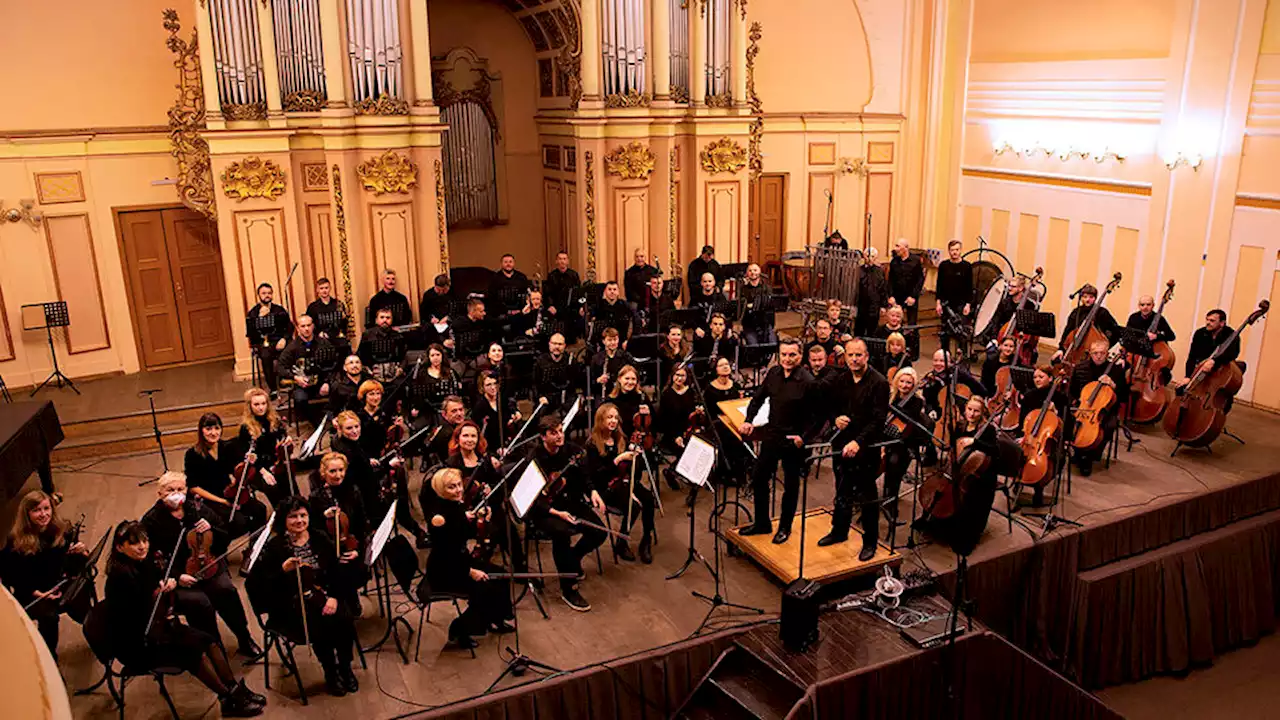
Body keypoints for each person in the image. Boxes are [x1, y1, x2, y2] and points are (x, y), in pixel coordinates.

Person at [105, 521, 266, 715]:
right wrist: (158, 594)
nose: (142, 546)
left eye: (144, 540)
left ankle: (234, 689)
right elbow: (133, 614)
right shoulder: (120, 576)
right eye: (134, 543)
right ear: (119, 547)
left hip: (158, 627)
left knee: (210, 640)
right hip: (139, 642)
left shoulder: (140, 563)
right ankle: (227, 699)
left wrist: (166, 583)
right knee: (194, 654)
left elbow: (155, 580)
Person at [141, 471, 262, 658]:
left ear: (186, 490)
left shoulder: (197, 508)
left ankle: (244, 637)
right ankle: (213, 646)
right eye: (170, 490)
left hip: (209, 563)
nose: (175, 493)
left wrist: (211, 529)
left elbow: (224, 537)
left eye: (180, 489)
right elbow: (151, 558)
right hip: (179, 574)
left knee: (226, 590)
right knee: (200, 603)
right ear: (160, 493)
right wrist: (176, 575)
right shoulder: (151, 521)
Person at [250, 498, 360, 697]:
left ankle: (345, 666)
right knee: (320, 622)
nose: (299, 520)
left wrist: (333, 597)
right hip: (291, 603)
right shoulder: (274, 547)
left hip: (323, 594)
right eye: (293, 517)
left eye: (303, 515)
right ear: (283, 520)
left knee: (344, 617)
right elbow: (263, 587)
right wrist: (282, 571)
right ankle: (330, 671)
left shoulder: (319, 538)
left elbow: (335, 572)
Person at [422, 468, 515, 648]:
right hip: (445, 569)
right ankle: (458, 630)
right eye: (451, 487)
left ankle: (496, 618)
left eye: (458, 485)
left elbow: (463, 531)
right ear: (441, 490)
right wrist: (470, 572)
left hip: (459, 560)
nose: (458, 490)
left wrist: (479, 519)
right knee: (484, 588)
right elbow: (445, 553)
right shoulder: (439, 518)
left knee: (501, 575)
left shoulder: (455, 505)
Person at [738, 338, 817, 545]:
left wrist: (804, 438)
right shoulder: (773, 373)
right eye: (784, 354)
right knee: (758, 477)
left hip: (793, 441)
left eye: (792, 355)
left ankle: (784, 528)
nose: (787, 359)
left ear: (800, 356)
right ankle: (762, 523)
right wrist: (748, 420)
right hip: (772, 435)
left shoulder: (808, 382)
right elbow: (758, 398)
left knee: (790, 486)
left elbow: (818, 416)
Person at [526, 415, 607, 611]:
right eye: (554, 433)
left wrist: (593, 491)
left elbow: (584, 475)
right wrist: (557, 513)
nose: (559, 436)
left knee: (599, 532)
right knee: (561, 534)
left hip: (569, 502)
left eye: (561, 431)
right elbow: (533, 498)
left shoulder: (571, 451)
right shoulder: (534, 458)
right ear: (543, 436)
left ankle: (573, 558)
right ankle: (568, 589)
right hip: (544, 510)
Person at [820, 339, 890, 559]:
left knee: (866, 496)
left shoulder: (879, 382)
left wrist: (858, 442)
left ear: (867, 356)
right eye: (850, 355)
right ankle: (839, 531)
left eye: (858, 355)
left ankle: (870, 543)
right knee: (841, 491)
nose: (854, 359)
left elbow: (878, 421)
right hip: (841, 444)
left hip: (865, 447)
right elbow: (830, 407)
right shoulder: (841, 379)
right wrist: (835, 419)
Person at [0, 490, 88, 660]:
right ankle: (49, 659)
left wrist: (81, 552)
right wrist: (36, 592)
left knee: (80, 593)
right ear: (27, 514)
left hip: (57, 584)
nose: (44, 514)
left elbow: (67, 562)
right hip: (31, 591)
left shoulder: (61, 530)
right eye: (37, 510)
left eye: (47, 508)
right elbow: (9, 574)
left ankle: (96, 629)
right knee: (49, 618)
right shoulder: (16, 540)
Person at [442, 421, 525, 572]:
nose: (470, 439)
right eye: (465, 435)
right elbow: (448, 495)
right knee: (492, 531)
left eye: (473, 436)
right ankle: (478, 566)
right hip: (467, 512)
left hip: (488, 507)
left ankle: (520, 567)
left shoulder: (484, 460)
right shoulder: (452, 464)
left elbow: (496, 486)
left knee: (508, 527)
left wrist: (490, 490)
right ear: (458, 439)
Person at [586, 404, 656, 563]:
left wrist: (636, 458)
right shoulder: (592, 444)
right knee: (635, 506)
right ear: (600, 419)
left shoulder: (621, 438)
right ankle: (621, 542)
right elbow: (597, 475)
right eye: (609, 417)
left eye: (616, 418)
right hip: (606, 487)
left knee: (648, 498)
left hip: (624, 480)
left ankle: (646, 539)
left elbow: (634, 472)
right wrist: (618, 459)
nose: (613, 421)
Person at [306, 453, 377, 602]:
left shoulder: (353, 491)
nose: (338, 475)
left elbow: (362, 524)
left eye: (341, 470)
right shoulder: (315, 498)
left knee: (349, 569)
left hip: (352, 546)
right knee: (336, 570)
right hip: (328, 549)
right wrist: (322, 516)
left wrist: (357, 550)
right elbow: (312, 529)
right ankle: (342, 600)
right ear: (323, 473)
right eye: (332, 471)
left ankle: (347, 599)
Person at [186, 413, 268, 535]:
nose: (213, 433)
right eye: (208, 429)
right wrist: (222, 501)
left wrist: (249, 461)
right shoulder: (192, 454)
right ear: (201, 431)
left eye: (217, 428)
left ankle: (255, 548)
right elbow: (193, 488)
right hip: (209, 497)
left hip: (229, 492)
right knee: (239, 522)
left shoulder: (227, 447)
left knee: (260, 509)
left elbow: (237, 469)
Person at [1069, 339, 1126, 476]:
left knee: (1108, 426)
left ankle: (1092, 454)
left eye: (1102, 353)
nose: (1099, 356)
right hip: (1083, 407)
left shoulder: (1116, 370)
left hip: (1105, 410)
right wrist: (1075, 403)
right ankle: (1078, 451)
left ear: (1107, 354)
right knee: (1070, 422)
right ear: (1090, 354)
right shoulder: (1080, 368)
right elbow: (1071, 391)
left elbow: (1124, 395)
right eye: (1095, 353)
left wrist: (1113, 384)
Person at [881, 368, 925, 525]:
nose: (905, 385)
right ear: (897, 381)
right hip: (887, 437)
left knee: (894, 465)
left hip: (905, 443)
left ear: (914, 384)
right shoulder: (891, 396)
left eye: (909, 382)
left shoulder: (917, 401)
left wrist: (890, 408)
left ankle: (891, 502)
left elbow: (909, 417)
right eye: (902, 381)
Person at [234, 388, 290, 504]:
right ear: (250, 406)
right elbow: (247, 456)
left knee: (288, 480)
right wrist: (264, 472)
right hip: (257, 468)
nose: (261, 407)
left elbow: (282, 436)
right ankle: (280, 513)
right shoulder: (246, 428)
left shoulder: (273, 420)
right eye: (256, 404)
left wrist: (286, 439)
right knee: (272, 486)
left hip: (274, 462)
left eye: (263, 403)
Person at [277, 314, 336, 421]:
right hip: (302, 384)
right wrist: (295, 377)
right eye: (303, 326)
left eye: (309, 325)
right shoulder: (291, 347)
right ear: (298, 328)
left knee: (339, 390)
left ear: (313, 326)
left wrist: (327, 382)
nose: (306, 329)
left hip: (322, 382)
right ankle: (315, 421)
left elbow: (334, 365)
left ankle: (332, 418)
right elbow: (280, 367)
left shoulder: (324, 343)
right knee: (300, 399)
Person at [245, 283, 293, 394]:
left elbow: (290, 327)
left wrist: (284, 339)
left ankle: (285, 381)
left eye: (269, 293)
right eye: (264, 293)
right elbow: (251, 334)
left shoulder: (279, 310)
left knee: (289, 351)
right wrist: (260, 319)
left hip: (279, 340)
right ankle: (273, 389)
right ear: (259, 295)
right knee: (266, 356)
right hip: (263, 343)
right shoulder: (253, 313)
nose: (267, 295)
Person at [1176, 309, 1240, 388]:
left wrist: (1214, 361)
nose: (1208, 323)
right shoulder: (1200, 333)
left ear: (1222, 323)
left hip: (1220, 371)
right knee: (1181, 389)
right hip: (1201, 370)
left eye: (1212, 321)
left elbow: (1233, 353)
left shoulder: (1231, 335)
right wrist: (1188, 376)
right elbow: (1192, 356)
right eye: (1207, 320)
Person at [1053, 284, 1119, 361]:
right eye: (1085, 297)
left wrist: (1105, 346)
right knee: (1055, 362)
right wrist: (1061, 349)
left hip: (1091, 355)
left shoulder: (1102, 313)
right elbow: (1067, 331)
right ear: (1081, 298)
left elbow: (1116, 331)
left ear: (1095, 298)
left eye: (1091, 297)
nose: (1088, 299)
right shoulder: (1076, 312)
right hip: (1073, 351)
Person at [656, 364, 698, 459]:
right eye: (677, 375)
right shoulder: (666, 394)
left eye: (682, 375)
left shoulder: (691, 392)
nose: (679, 378)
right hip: (671, 433)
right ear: (672, 376)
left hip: (689, 431)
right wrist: (676, 437)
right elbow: (664, 421)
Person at [472, 371, 521, 452]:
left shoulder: (504, 400)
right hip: (491, 447)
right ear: (482, 387)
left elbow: (512, 411)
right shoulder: (479, 407)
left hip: (509, 443)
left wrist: (515, 415)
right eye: (488, 385)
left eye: (495, 383)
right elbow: (482, 433)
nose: (493, 387)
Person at [543, 252, 582, 342]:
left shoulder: (574, 275)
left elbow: (579, 292)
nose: (562, 261)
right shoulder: (551, 276)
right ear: (556, 261)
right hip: (556, 307)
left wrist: (580, 307)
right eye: (560, 259)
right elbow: (547, 293)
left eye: (564, 259)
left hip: (571, 307)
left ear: (567, 261)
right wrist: (550, 305)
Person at [358, 306, 407, 376]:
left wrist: (401, 369)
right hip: (372, 374)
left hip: (394, 373)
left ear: (392, 320)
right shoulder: (367, 335)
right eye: (382, 317)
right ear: (376, 320)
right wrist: (368, 371)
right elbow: (360, 356)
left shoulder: (398, 336)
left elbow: (404, 357)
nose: (385, 320)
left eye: (388, 318)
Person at [535, 333, 577, 412]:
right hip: (546, 397)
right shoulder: (540, 361)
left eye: (560, 344)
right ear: (549, 344)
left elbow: (574, 384)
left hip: (566, 397)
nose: (557, 347)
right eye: (554, 344)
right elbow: (535, 384)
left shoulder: (571, 361)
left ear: (564, 346)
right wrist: (540, 397)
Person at [888, 238, 925, 325]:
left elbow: (920, 280)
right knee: (895, 323)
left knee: (912, 324)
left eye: (898, 246)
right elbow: (890, 280)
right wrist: (890, 296)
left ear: (906, 248)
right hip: (897, 297)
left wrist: (913, 296)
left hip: (911, 297)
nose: (896, 249)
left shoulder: (916, 261)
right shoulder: (894, 261)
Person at [608, 365, 652, 437]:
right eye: (627, 378)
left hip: (639, 438)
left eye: (633, 379)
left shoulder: (642, 397)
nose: (630, 382)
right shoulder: (611, 400)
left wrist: (649, 413)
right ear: (619, 379)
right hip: (618, 437)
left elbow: (654, 422)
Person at [591, 328, 635, 399]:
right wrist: (598, 380)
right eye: (609, 340)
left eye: (615, 339)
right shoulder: (596, 358)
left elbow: (635, 374)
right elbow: (590, 381)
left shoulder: (626, 356)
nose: (613, 343)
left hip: (623, 393)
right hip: (604, 394)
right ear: (603, 341)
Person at [306, 277, 349, 350]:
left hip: (338, 338)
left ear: (330, 288)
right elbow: (309, 325)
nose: (324, 291)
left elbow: (344, 323)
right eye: (321, 288)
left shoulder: (338, 304)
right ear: (317, 290)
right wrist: (318, 333)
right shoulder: (312, 307)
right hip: (321, 339)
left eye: (326, 288)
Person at [935, 239, 973, 320]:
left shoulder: (967, 266)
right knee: (945, 328)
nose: (954, 252)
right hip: (946, 303)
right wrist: (938, 303)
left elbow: (969, 287)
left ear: (960, 250)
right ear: (949, 251)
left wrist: (968, 304)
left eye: (957, 249)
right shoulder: (943, 265)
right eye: (952, 250)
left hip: (961, 304)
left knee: (959, 329)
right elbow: (939, 285)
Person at [856, 247, 890, 338]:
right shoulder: (858, 270)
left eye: (872, 256)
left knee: (872, 330)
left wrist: (884, 305)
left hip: (875, 305)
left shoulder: (879, 271)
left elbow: (883, 288)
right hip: (861, 305)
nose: (870, 258)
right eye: (868, 256)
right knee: (859, 330)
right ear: (864, 256)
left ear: (875, 258)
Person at [740, 263, 777, 346]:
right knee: (753, 346)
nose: (753, 272)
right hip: (750, 324)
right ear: (747, 273)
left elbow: (770, 304)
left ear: (759, 272)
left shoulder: (766, 287)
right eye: (750, 270)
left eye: (755, 270)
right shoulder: (743, 289)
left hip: (765, 323)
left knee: (772, 344)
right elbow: (741, 306)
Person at [693, 313, 738, 379]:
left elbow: (731, 356)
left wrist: (732, 339)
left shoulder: (728, 339)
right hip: (705, 367)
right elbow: (698, 353)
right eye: (715, 324)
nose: (718, 326)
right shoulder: (704, 338)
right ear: (711, 325)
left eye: (720, 324)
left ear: (724, 326)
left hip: (721, 366)